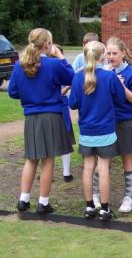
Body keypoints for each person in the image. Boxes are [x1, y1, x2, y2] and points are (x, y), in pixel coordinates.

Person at [8, 28, 74, 214]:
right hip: (51, 115)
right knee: (48, 160)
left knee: (31, 159)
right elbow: (72, 77)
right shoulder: (53, 65)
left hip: (31, 117)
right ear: (47, 45)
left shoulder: (19, 65)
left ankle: (24, 199)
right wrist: (61, 56)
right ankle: (43, 202)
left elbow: (12, 92)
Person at [69, 41, 126, 221]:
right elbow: (121, 99)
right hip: (106, 130)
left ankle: (89, 206)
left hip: (86, 130)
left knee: (87, 168)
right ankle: (105, 208)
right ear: (103, 56)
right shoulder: (110, 76)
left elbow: (72, 104)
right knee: (103, 168)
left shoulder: (78, 77)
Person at [105, 37, 132, 213]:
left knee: (127, 158)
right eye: (108, 53)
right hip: (106, 122)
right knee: (104, 160)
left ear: (123, 53)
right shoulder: (104, 72)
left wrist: (122, 87)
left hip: (126, 122)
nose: (111, 56)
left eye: (114, 53)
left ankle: (129, 196)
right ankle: (98, 195)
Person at [49, 44, 75, 182]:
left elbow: (73, 78)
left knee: (63, 139)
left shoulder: (54, 65)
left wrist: (65, 90)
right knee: (55, 141)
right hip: (56, 106)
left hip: (60, 105)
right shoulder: (56, 65)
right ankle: (57, 173)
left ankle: (66, 172)